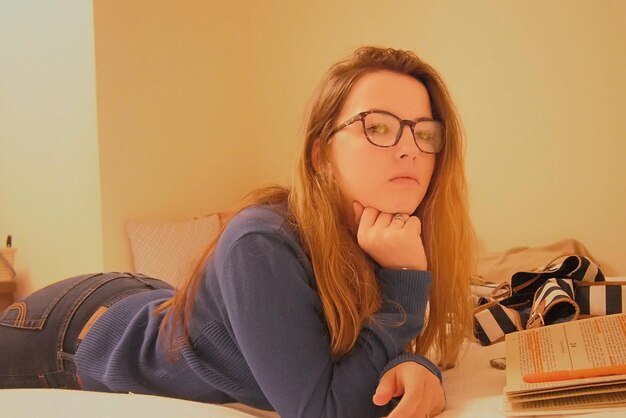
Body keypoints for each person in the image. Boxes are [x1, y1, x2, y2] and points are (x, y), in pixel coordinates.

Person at [0, 46, 475, 418]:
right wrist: (406, 287)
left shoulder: (385, 238)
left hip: (152, 299)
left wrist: (419, 367)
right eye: (378, 127)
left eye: (425, 132)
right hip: (69, 334)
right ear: (320, 154)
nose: (410, 148)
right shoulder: (262, 242)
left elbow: (373, 357)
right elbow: (325, 410)